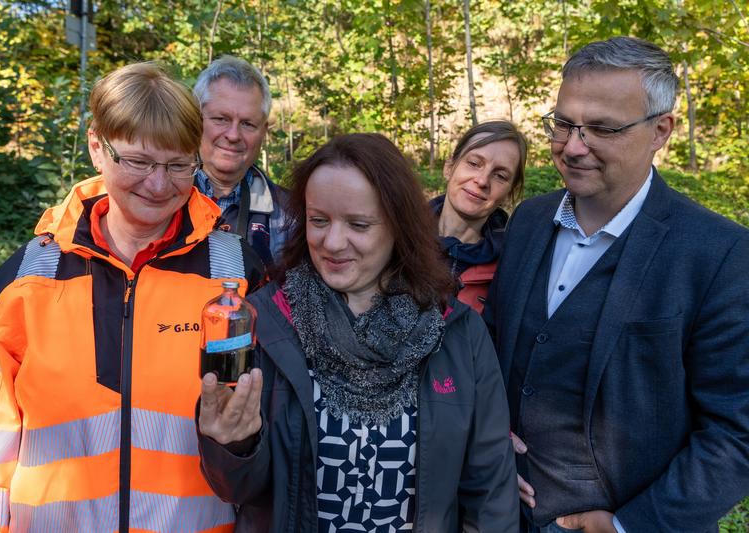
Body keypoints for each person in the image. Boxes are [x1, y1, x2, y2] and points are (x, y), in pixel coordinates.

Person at [0, 62, 264, 532]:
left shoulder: (236, 275)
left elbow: (268, 443)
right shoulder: (29, 278)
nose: (158, 185)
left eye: (178, 165)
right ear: (98, 147)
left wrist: (239, 444)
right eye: (138, 162)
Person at [483, 36, 749, 533]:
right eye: (563, 124)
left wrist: (631, 526)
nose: (573, 147)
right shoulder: (527, 221)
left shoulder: (720, 254)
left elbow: (738, 432)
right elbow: (491, 352)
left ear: (660, 130)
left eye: (603, 128)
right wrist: (485, 439)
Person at [196, 133, 519, 532]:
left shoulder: (456, 333)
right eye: (318, 220)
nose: (332, 242)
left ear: (399, 226)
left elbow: (490, 493)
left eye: (359, 224)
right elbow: (238, 491)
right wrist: (234, 446)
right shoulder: (266, 322)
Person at [193, 55, 289, 267]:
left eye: (247, 124)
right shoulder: (159, 196)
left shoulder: (289, 217)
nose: (233, 135)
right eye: (221, 119)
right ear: (195, 120)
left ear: (263, 132)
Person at [431, 120, 527, 313]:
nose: (482, 180)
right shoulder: (396, 235)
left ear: (510, 192)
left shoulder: (511, 269)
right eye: (474, 163)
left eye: (500, 176)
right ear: (449, 166)